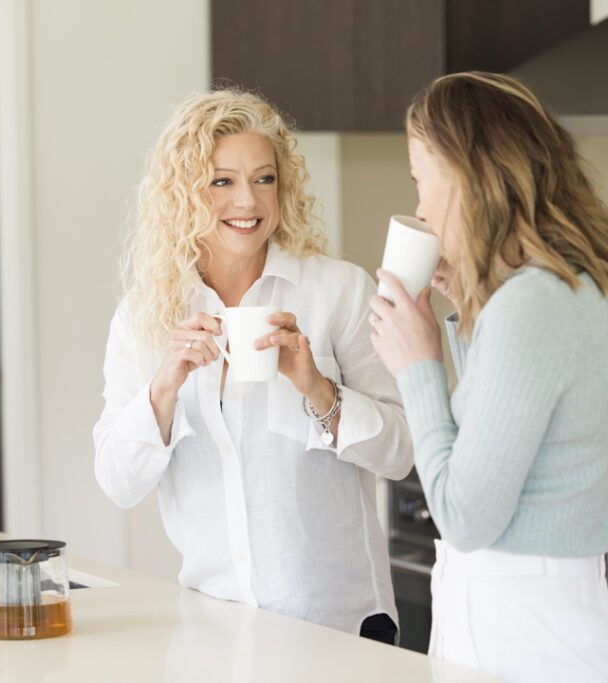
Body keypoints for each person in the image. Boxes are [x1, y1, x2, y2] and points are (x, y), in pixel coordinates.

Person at [93, 89, 412, 644]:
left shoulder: (337, 291)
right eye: (222, 181)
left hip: (338, 627)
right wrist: (164, 386)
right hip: (214, 631)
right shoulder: (144, 320)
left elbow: (400, 454)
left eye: (264, 179)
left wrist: (316, 388)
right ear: (182, 194)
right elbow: (117, 481)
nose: (248, 201)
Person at [368, 72, 608, 681]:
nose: (418, 206)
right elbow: (510, 436)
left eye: (422, 180)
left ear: (466, 175)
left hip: (517, 639)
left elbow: (465, 516)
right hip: (561, 624)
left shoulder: (529, 308)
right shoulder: (600, 290)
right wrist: (472, 305)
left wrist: (419, 369)